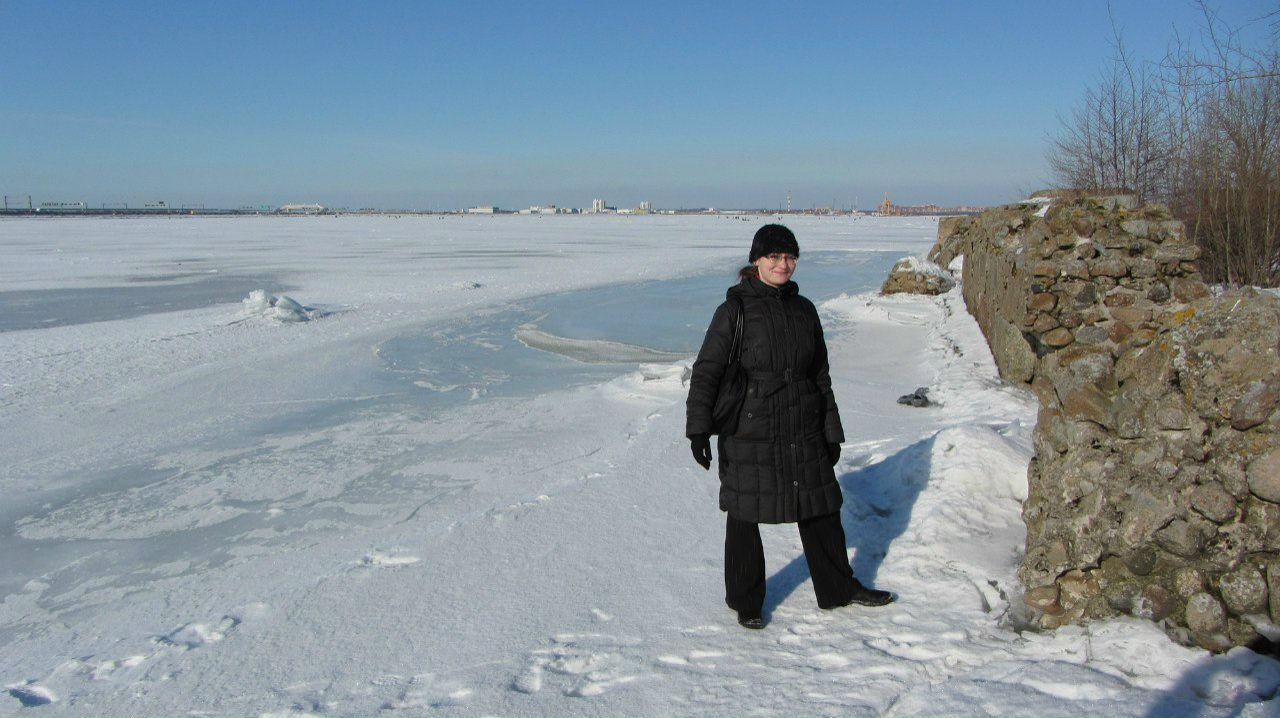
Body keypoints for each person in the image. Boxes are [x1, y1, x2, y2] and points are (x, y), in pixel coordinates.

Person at [685, 224, 893, 630]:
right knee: (745, 512)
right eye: (774, 257)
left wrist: (831, 430)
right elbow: (707, 371)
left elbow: (820, 376)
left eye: (789, 257)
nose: (783, 264)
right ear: (756, 261)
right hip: (751, 429)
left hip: (803, 425)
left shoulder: (805, 310)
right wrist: (698, 429)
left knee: (821, 508)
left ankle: (838, 589)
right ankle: (746, 601)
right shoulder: (734, 311)